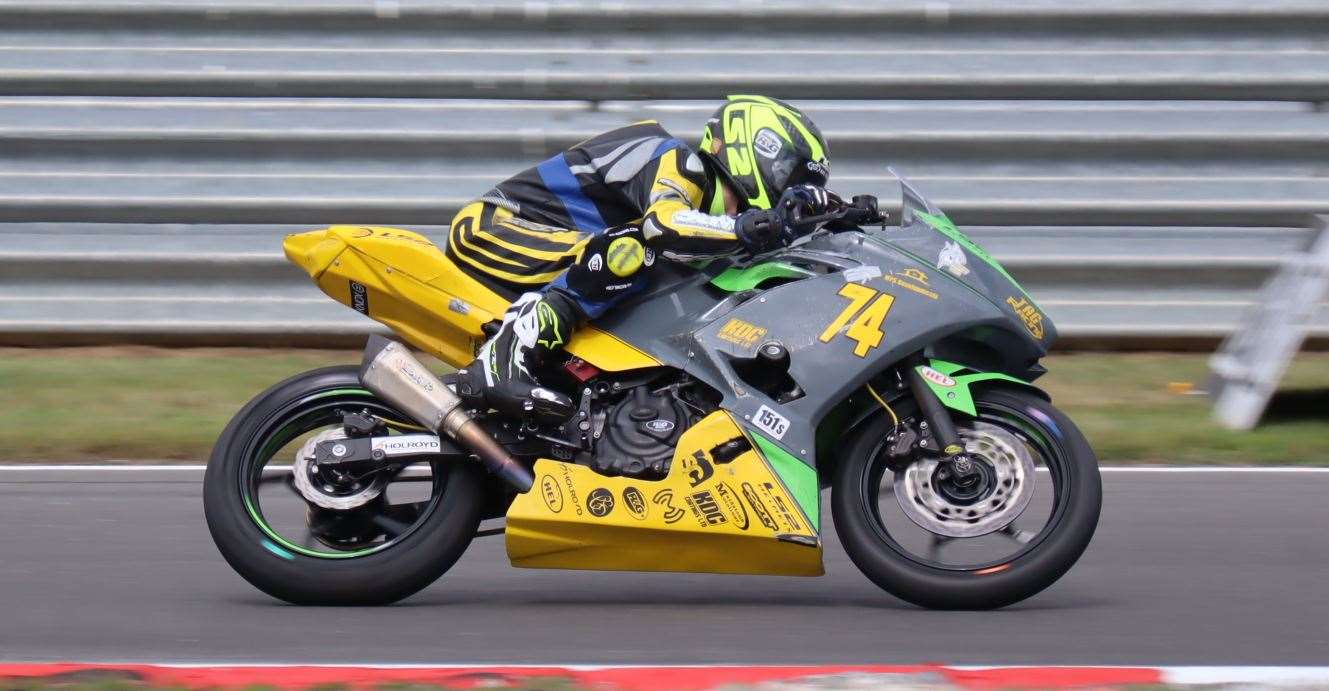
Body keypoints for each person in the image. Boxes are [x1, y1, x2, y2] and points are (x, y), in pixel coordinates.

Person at [450, 95, 833, 421]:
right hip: (495, 229)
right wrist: (747, 229)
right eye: (790, 176)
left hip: (557, 251)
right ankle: (503, 359)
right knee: (632, 248)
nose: (791, 192)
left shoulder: (711, 215)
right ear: (755, 149)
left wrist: (837, 216)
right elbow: (663, 224)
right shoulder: (676, 159)